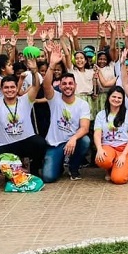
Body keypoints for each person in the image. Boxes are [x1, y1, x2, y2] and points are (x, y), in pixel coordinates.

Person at [0, 57, 48, 177]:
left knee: (40, 143)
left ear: (16, 88)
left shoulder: (25, 100)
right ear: (2, 89)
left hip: (25, 141)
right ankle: (17, 169)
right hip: (6, 145)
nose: (9, 90)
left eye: (12, 87)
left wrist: (34, 70)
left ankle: (34, 169)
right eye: (6, 87)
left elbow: (36, 86)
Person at [42, 45, 91, 182]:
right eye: (64, 84)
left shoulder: (83, 104)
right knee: (48, 177)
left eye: (70, 83)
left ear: (75, 86)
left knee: (85, 141)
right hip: (56, 144)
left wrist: (73, 139)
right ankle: (59, 166)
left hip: (73, 142)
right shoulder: (54, 98)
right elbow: (46, 85)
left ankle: (73, 167)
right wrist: (52, 65)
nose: (68, 86)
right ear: (60, 86)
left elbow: (85, 128)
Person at [94, 85, 128, 185]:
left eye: (119, 98)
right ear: (108, 97)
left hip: (125, 148)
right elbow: (97, 134)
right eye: (114, 96)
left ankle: (126, 168)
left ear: (123, 100)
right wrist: (99, 149)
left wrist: (123, 155)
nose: (116, 99)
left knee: (118, 179)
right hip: (108, 146)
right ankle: (109, 168)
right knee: (102, 160)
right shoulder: (101, 115)